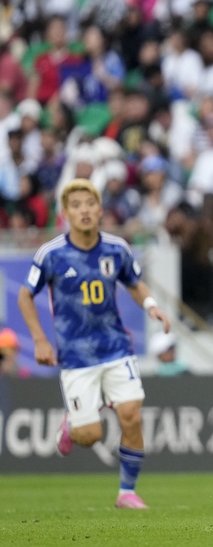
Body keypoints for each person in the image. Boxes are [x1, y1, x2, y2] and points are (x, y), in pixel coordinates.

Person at [16, 179, 171, 509]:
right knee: (91, 436)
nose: (84, 210)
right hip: (75, 356)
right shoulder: (52, 253)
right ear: (65, 213)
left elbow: (134, 283)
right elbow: (25, 295)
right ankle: (72, 426)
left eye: (90, 204)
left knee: (131, 414)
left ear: (100, 210)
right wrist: (40, 340)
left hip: (116, 347)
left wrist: (151, 305)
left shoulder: (117, 249)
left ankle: (127, 492)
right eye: (76, 205)